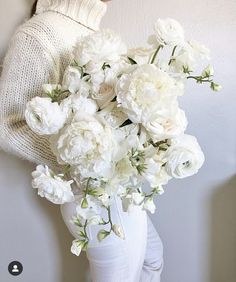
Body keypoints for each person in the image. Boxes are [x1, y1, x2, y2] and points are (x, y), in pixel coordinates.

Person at [0, 0, 164, 281]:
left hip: (121, 188)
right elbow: (8, 124)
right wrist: (86, 159)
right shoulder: (41, 33)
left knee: (153, 261)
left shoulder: (95, 33)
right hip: (91, 193)